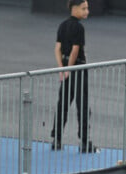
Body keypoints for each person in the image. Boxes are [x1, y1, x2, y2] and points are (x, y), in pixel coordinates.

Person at [51, 0, 98, 153]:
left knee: (62, 104)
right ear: (74, 8)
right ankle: (84, 141)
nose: (87, 12)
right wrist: (70, 69)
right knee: (82, 105)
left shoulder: (62, 25)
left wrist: (62, 69)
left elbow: (57, 49)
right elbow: (75, 50)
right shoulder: (79, 27)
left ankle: (56, 140)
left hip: (66, 67)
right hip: (77, 69)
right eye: (84, 8)